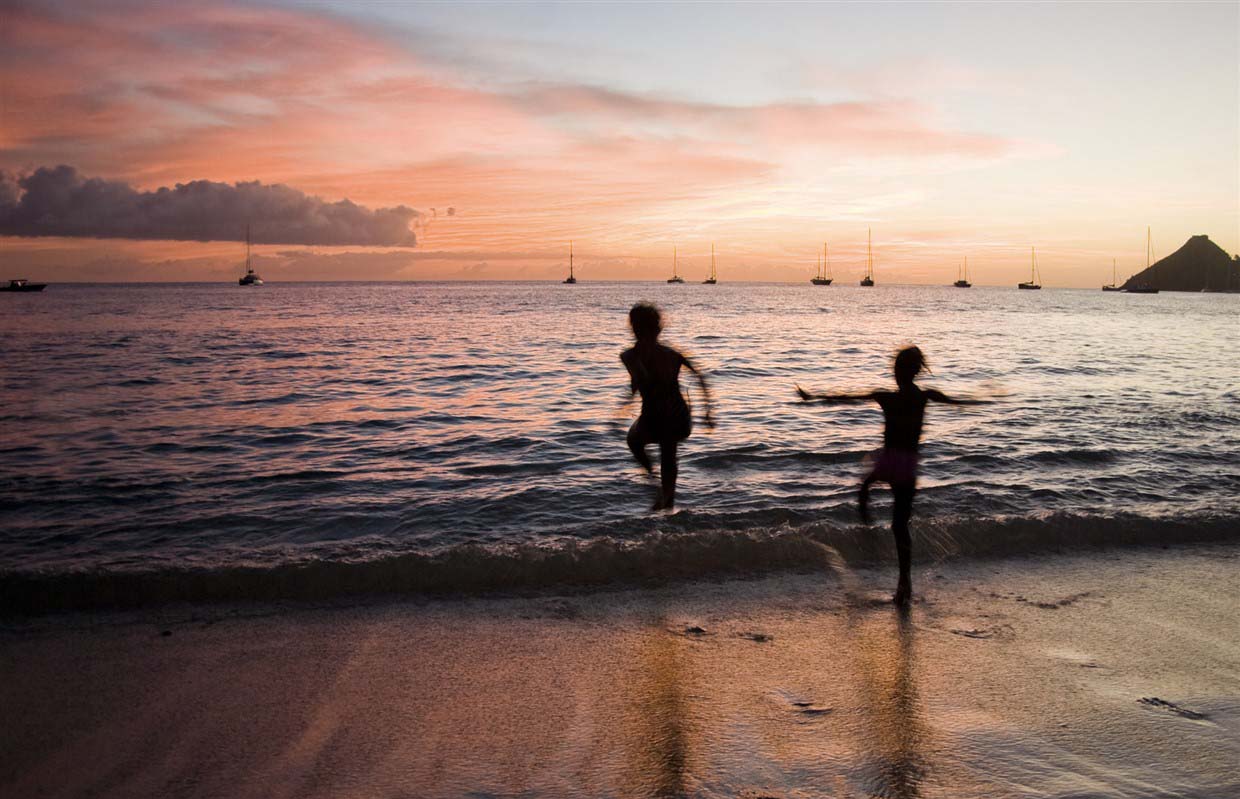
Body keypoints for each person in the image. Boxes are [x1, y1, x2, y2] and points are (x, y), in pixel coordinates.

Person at [797, 346, 988, 605]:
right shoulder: (921, 396)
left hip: (891, 462)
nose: (896, 373)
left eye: (897, 369)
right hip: (905, 464)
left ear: (903, 372)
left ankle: (875, 541)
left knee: (872, 496)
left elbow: (847, 398)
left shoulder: (891, 397)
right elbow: (955, 403)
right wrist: (980, 400)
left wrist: (814, 397)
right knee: (898, 524)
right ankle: (900, 577)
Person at [621, 303, 714, 510]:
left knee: (639, 441)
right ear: (657, 329)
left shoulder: (631, 356)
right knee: (662, 447)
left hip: (665, 416)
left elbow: (641, 383)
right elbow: (700, 377)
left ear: (635, 328)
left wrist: (624, 406)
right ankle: (666, 499)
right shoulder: (670, 354)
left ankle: (662, 493)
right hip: (675, 416)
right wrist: (708, 412)